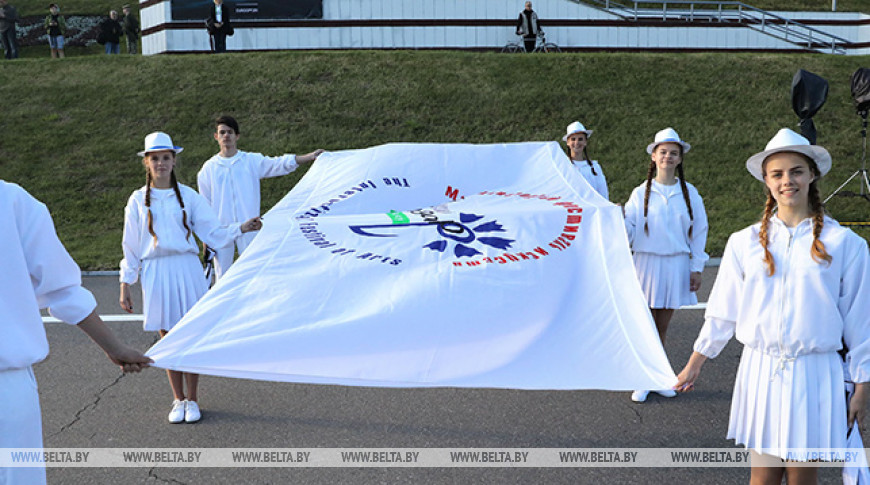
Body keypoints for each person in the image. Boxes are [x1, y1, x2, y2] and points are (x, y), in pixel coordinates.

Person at [675, 128, 870, 483]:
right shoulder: (743, 242)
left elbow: (861, 321)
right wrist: (694, 365)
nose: (787, 181)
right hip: (761, 372)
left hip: (815, 374)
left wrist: (862, 384)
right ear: (766, 181)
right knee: (761, 480)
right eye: (777, 173)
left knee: (801, 480)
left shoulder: (846, 244)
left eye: (796, 171)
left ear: (813, 174)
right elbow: (723, 311)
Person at [1, 179, 151, 485]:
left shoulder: (11, 201)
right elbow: (62, 289)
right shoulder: (12, 200)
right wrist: (114, 347)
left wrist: (114, 346)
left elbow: (62, 289)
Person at [119, 131, 262, 423]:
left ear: (174, 161)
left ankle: (193, 400)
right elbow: (131, 245)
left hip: (187, 267)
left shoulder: (188, 196)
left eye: (166, 158)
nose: (161, 163)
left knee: (191, 332)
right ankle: (177, 399)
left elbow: (213, 231)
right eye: (155, 158)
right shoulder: (136, 200)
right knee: (167, 336)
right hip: (157, 271)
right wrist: (125, 283)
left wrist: (241, 228)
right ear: (147, 162)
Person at [623, 127, 708, 403]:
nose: (668, 157)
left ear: (680, 158)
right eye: (663, 152)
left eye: (673, 153)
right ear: (654, 157)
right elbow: (630, 230)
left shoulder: (690, 193)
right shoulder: (640, 193)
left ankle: (657, 376)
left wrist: (696, 266)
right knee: (645, 323)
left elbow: (699, 231)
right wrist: (616, 220)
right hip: (645, 264)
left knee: (661, 326)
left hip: (675, 266)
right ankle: (642, 377)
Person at [198, 116, 324, 280]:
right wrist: (207, 238)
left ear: (237, 136)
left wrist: (309, 157)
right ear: (216, 136)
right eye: (222, 133)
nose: (226, 136)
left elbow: (278, 164)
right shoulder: (208, 169)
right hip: (222, 231)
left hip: (251, 226)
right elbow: (205, 207)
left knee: (254, 273)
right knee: (223, 278)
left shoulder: (250, 161)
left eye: (230, 132)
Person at [563, 121, 608, 200]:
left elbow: (603, 194)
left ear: (585, 142)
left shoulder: (595, 167)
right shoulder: (562, 166)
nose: (576, 142)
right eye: (573, 139)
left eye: (580, 139)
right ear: (568, 142)